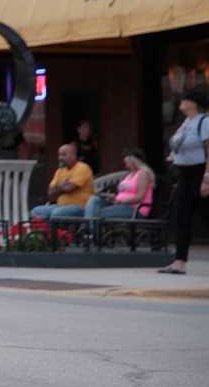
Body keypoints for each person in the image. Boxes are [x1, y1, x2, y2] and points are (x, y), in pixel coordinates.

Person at [160, 88, 209, 275]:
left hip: (200, 173)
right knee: (182, 216)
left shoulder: (204, 121)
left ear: (194, 103)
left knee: (205, 216)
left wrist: (207, 178)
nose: (181, 102)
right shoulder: (185, 123)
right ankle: (179, 262)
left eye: (185, 99)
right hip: (184, 174)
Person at [80, 148, 155, 223]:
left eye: (127, 162)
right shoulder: (130, 175)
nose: (125, 164)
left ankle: (89, 233)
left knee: (96, 213)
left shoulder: (143, 173)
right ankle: (89, 232)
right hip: (122, 205)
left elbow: (140, 197)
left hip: (135, 209)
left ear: (134, 161)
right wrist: (112, 197)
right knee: (94, 200)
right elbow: (124, 194)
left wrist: (121, 201)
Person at [30, 143, 95, 221]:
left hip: (80, 207)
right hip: (60, 205)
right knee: (36, 211)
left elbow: (69, 188)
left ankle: (57, 233)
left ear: (73, 155)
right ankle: (43, 232)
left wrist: (58, 188)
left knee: (57, 213)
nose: (60, 158)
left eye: (64, 155)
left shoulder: (82, 168)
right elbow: (50, 193)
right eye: (59, 155)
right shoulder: (60, 171)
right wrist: (61, 186)